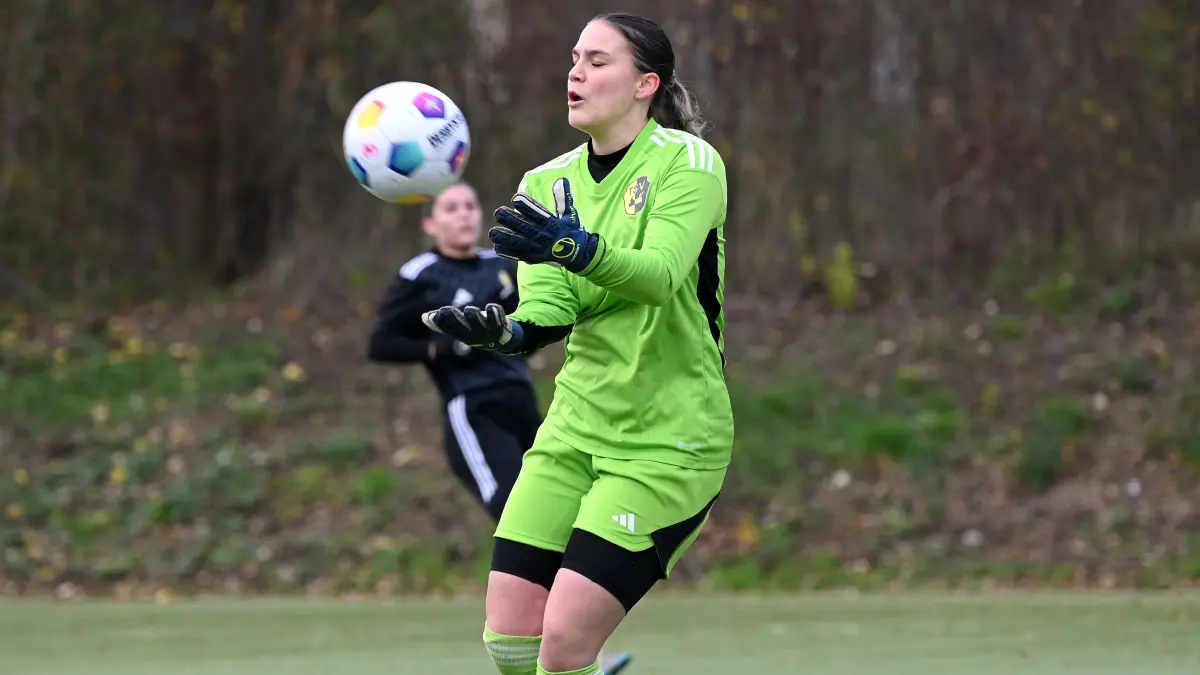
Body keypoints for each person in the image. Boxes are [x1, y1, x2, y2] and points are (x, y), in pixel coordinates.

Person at [421, 12, 731, 675]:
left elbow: (657, 276)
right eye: (573, 58)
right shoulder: (546, 185)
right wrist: (506, 330)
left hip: (669, 439)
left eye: (597, 60)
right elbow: (554, 304)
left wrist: (571, 244)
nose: (576, 72)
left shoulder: (689, 163)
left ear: (647, 83)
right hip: (575, 428)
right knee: (509, 639)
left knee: (563, 645)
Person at [368, 181, 634, 675]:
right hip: (472, 411)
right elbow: (381, 343)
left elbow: (536, 324)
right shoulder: (420, 274)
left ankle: (569, 653)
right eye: (450, 208)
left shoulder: (503, 263)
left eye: (469, 205)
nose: (464, 215)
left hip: (523, 404)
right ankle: (549, 654)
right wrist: (439, 349)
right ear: (429, 223)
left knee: (562, 524)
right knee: (518, 516)